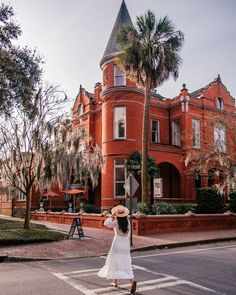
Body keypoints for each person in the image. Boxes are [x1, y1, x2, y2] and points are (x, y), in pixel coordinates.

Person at [97, 205, 137, 294]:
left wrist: (112, 216)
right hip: (125, 244)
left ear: (117, 215)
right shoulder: (128, 222)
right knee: (126, 262)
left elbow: (106, 224)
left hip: (117, 243)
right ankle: (132, 279)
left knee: (114, 261)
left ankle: (115, 282)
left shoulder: (116, 222)